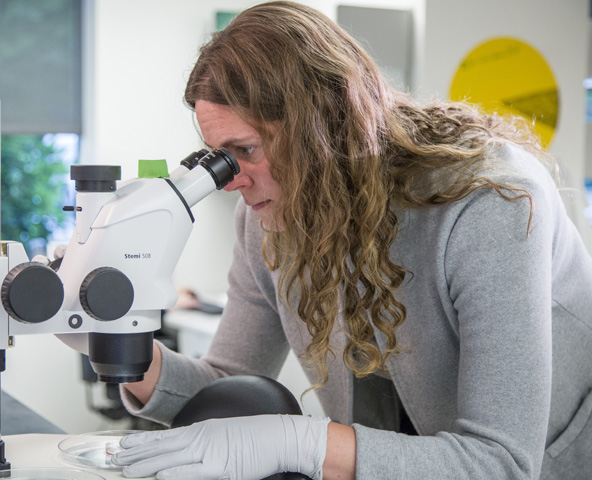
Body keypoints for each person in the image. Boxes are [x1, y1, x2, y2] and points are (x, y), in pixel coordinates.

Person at [112, 2, 592, 479]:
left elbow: (499, 463)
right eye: (219, 156)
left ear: (323, 125)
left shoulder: (489, 202)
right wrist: (121, 345)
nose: (230, 180)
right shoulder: (264, 219)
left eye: (245, 150)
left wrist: (302, 443)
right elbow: (226, 385)